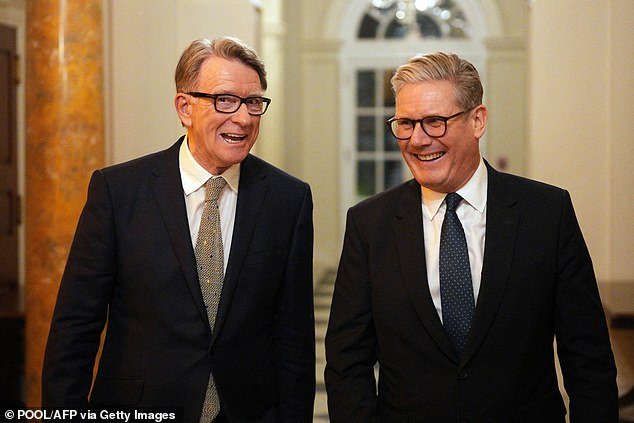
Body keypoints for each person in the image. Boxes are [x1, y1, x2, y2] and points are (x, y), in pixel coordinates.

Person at [324, 52, 618, 422]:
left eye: (434, 122)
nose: (417, 140)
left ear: (477, 120)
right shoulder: (370, 224)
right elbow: (347, 363)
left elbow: (588, 359)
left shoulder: (546, 214)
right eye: (406, 123)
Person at [42, 37, 315, 422]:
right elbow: (75, 328)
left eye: (253, 102)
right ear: (185, 107)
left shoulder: (288, 200)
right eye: (225, 100)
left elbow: (294, 340)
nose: (243, 118)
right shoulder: (119, 192)